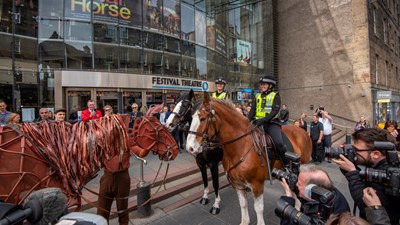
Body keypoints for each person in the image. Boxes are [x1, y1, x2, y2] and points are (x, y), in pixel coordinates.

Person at [331, 128, 400, 225]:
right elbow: (361, 178)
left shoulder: (390, 177)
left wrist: (352, 173)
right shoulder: (378, 165)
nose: (354, 152)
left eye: (356, 150)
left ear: (376, 154)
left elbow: (364, 204)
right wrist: (349, 163)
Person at [278, 164, 350, 225]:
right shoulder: (329, 190)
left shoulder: (315, 218)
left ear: (311, 191)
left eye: (299, 184)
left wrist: (288, 199)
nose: (296, 185)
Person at [248, 75, 290, 167]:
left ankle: (286, 164)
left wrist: (263, 120)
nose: (262, 86)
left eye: (264, 84)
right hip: (258, 123)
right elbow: (253, 110)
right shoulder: (257, 96)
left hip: (271, 124)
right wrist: (247, 120)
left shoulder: (275, 96)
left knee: (278, 143)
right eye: (261, 84)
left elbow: (274, 112)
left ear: (270, 85)